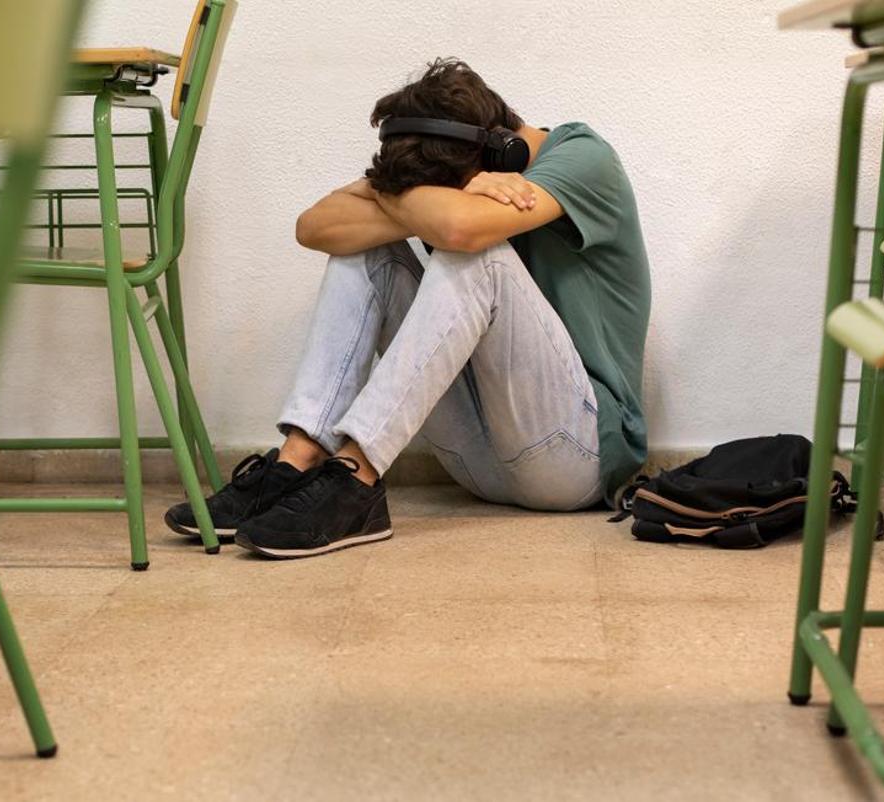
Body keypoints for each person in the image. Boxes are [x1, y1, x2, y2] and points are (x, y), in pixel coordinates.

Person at [166, 58, 651, 559]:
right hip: (476, 463)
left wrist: (419, 201)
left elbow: (462, 230)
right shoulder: (470, 182)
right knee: (365, 250)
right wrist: (414, 189)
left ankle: (357, 478)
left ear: (503, 154)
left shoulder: (586, 158)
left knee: (478, 253)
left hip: (576, 459)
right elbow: (313, 227)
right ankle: (295, 462)